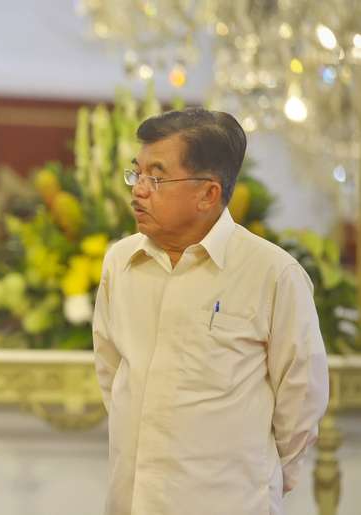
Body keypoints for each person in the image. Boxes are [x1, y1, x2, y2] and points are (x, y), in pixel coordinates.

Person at [92, 107, 329, 515]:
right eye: (137, 172)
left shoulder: (272, 274)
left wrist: (265, 477)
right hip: (131, 500)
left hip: (228, 501)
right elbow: (112, 374)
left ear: (208, 193)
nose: (139, 190)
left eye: (157, 177)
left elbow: (301, 398)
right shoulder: (121, 262)